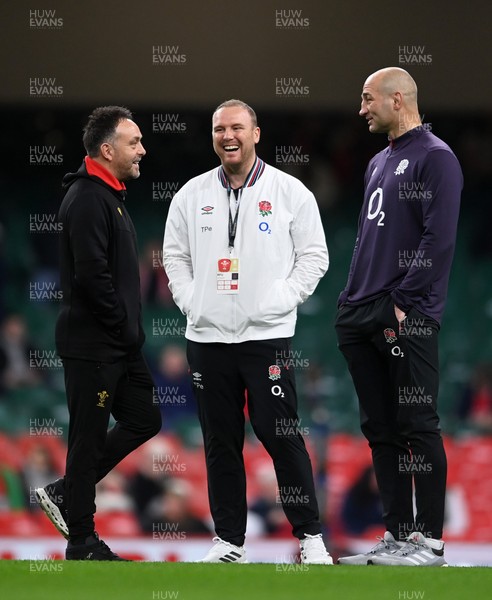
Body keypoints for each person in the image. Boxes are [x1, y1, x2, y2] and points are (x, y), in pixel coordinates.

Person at [163, 99, 331, 564]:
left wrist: (280, 299)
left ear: (256, 133)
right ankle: (229, 542)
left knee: (281, 434)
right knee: (220, 440)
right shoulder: (190, 195)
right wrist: (191, 300)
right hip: (208, 337)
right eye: (219, 129)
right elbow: (173, 257)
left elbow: (315, 257)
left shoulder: (290, 191)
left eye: (237, 127)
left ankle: (311, 538)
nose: (228, 136)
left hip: (266, 336)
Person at [335, 68, 462, 566]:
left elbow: (440, 237)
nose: (361, 109)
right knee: (380, 428)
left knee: (417, 424)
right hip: (361, 310)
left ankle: (428, 543)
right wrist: (350, 301)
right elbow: (371, 239)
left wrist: (403, 302)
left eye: (367, 99)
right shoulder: (379, 161)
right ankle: (396, 534)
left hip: (404, 314)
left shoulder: (436, 157)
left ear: (396, 99)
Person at [35, 106, 161, 561]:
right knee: (87, 437)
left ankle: (67, 491)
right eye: (134, 142)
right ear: (107, 150)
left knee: (146, 417)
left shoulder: (108, 196)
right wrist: (123, 327)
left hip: (117, 344)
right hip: (94, 343)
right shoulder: (88, 198)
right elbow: (92, 278)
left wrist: (126, 335)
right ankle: (82, 541)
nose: (142, 149)